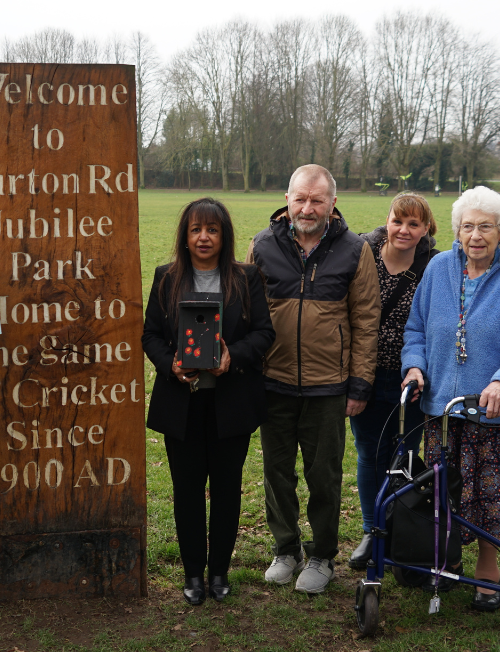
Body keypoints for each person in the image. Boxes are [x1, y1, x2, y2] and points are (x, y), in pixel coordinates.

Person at [401, 186, 500, 611]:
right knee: (443, 492)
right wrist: (414, 366)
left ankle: (486, 571)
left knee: (486, 496)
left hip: (493, 411)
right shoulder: (439, 268)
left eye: (486, 226)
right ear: (456, 231)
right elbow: (416, 329)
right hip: (441, 408)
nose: (476, 235)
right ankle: (444, 562)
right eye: (468, 226)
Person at [245, 164, 381, 595]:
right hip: (274, 383)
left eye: (317, 199)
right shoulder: (262, 247)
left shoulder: (355, 250)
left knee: (324, 476)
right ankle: (286, 549)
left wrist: (360, 384)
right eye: (300, 198)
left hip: (329, 386)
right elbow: (244, 314)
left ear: (332, 203)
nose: (308, 207)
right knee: (277, 473)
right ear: (287, 199)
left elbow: (366, 321)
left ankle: (321, 556)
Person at [143, 199, 275, 605]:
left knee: (226, 489)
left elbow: (265, 334)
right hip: (182, 405)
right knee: (186, 491)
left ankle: (219, 571)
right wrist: (172, 366)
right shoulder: (166, 278)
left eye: (213, 230)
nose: (204, 237)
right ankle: (193, 575)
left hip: (230, 405)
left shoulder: (246, 277)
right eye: (197, 229)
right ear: (185, 235)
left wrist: (233, 355)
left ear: (224, 236)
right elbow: (149, 335)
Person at [347, 192, 440, 570]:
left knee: (402, 456)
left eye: (413, 224)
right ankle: (373, 531)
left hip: (412, 377)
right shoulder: (362, 254)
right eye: (397, 220)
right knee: (370, 453)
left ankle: (398, 530)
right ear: (387, 221)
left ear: (426, 229)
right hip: (365, 373)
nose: (403, 229)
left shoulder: (435, 266)